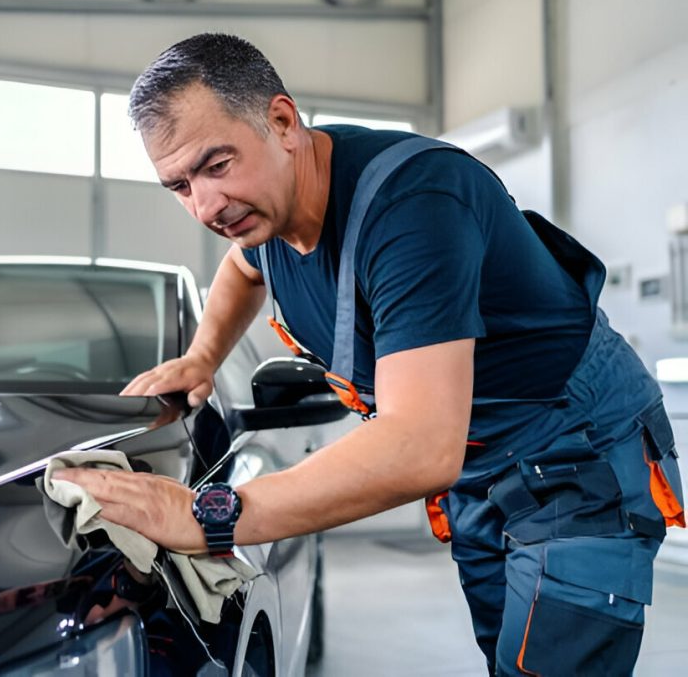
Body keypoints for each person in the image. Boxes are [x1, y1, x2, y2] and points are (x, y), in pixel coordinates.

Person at [54, 33, 685, 675]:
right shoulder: (264, 216)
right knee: (506, 656)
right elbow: (243, 270)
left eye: (217, 165)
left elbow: (417, 445)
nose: (207, 206)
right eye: (180, 186)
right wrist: (202, 356)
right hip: (482, 466)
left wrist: (208, 516)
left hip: (576, 449)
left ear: (282, 122)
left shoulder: (413, 206)